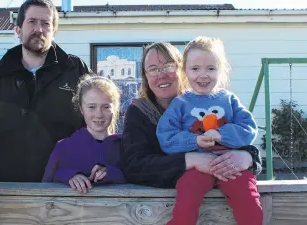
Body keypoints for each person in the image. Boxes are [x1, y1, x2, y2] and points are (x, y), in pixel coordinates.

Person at [120, 42, 262, 213]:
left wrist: (248, 157)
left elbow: (242, 133)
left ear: (182, 69)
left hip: (221, 205)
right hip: (155, 208)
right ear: (145, 76)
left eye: (168, 66)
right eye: (153, 69)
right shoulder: (138, 112)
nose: (161, 74)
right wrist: (189, 160)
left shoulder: (210, 99)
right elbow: (133, 166)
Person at [0, 0, 90, 182]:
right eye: (32, 22)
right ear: (18, 30)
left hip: (66, 187)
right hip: (4, 192)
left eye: (46, 23)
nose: (39, 29)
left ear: (54, 31)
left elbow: (101, 119)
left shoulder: (76, 71)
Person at [156, 36, 262, 225]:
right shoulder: (180, 104)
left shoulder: (229, 99)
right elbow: (166, 137)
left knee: (251, 207)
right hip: (197, 168)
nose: (203, 75)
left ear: (220, 70)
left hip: (230, 165)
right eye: (195, 69)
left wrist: (222, 135)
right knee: (185, 206)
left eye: (210, 68)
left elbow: (248, 128)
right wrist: (194, 141)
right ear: (184, 71)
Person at [42, 75, 126, 193]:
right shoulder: (64, 147)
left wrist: (111, 173)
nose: (99, 114)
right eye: (91, 107)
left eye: (106, 107)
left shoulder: (126, 146)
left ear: (115, 108)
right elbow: (45, 187)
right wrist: (68, 176)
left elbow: (138, 178)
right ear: (81, 109)